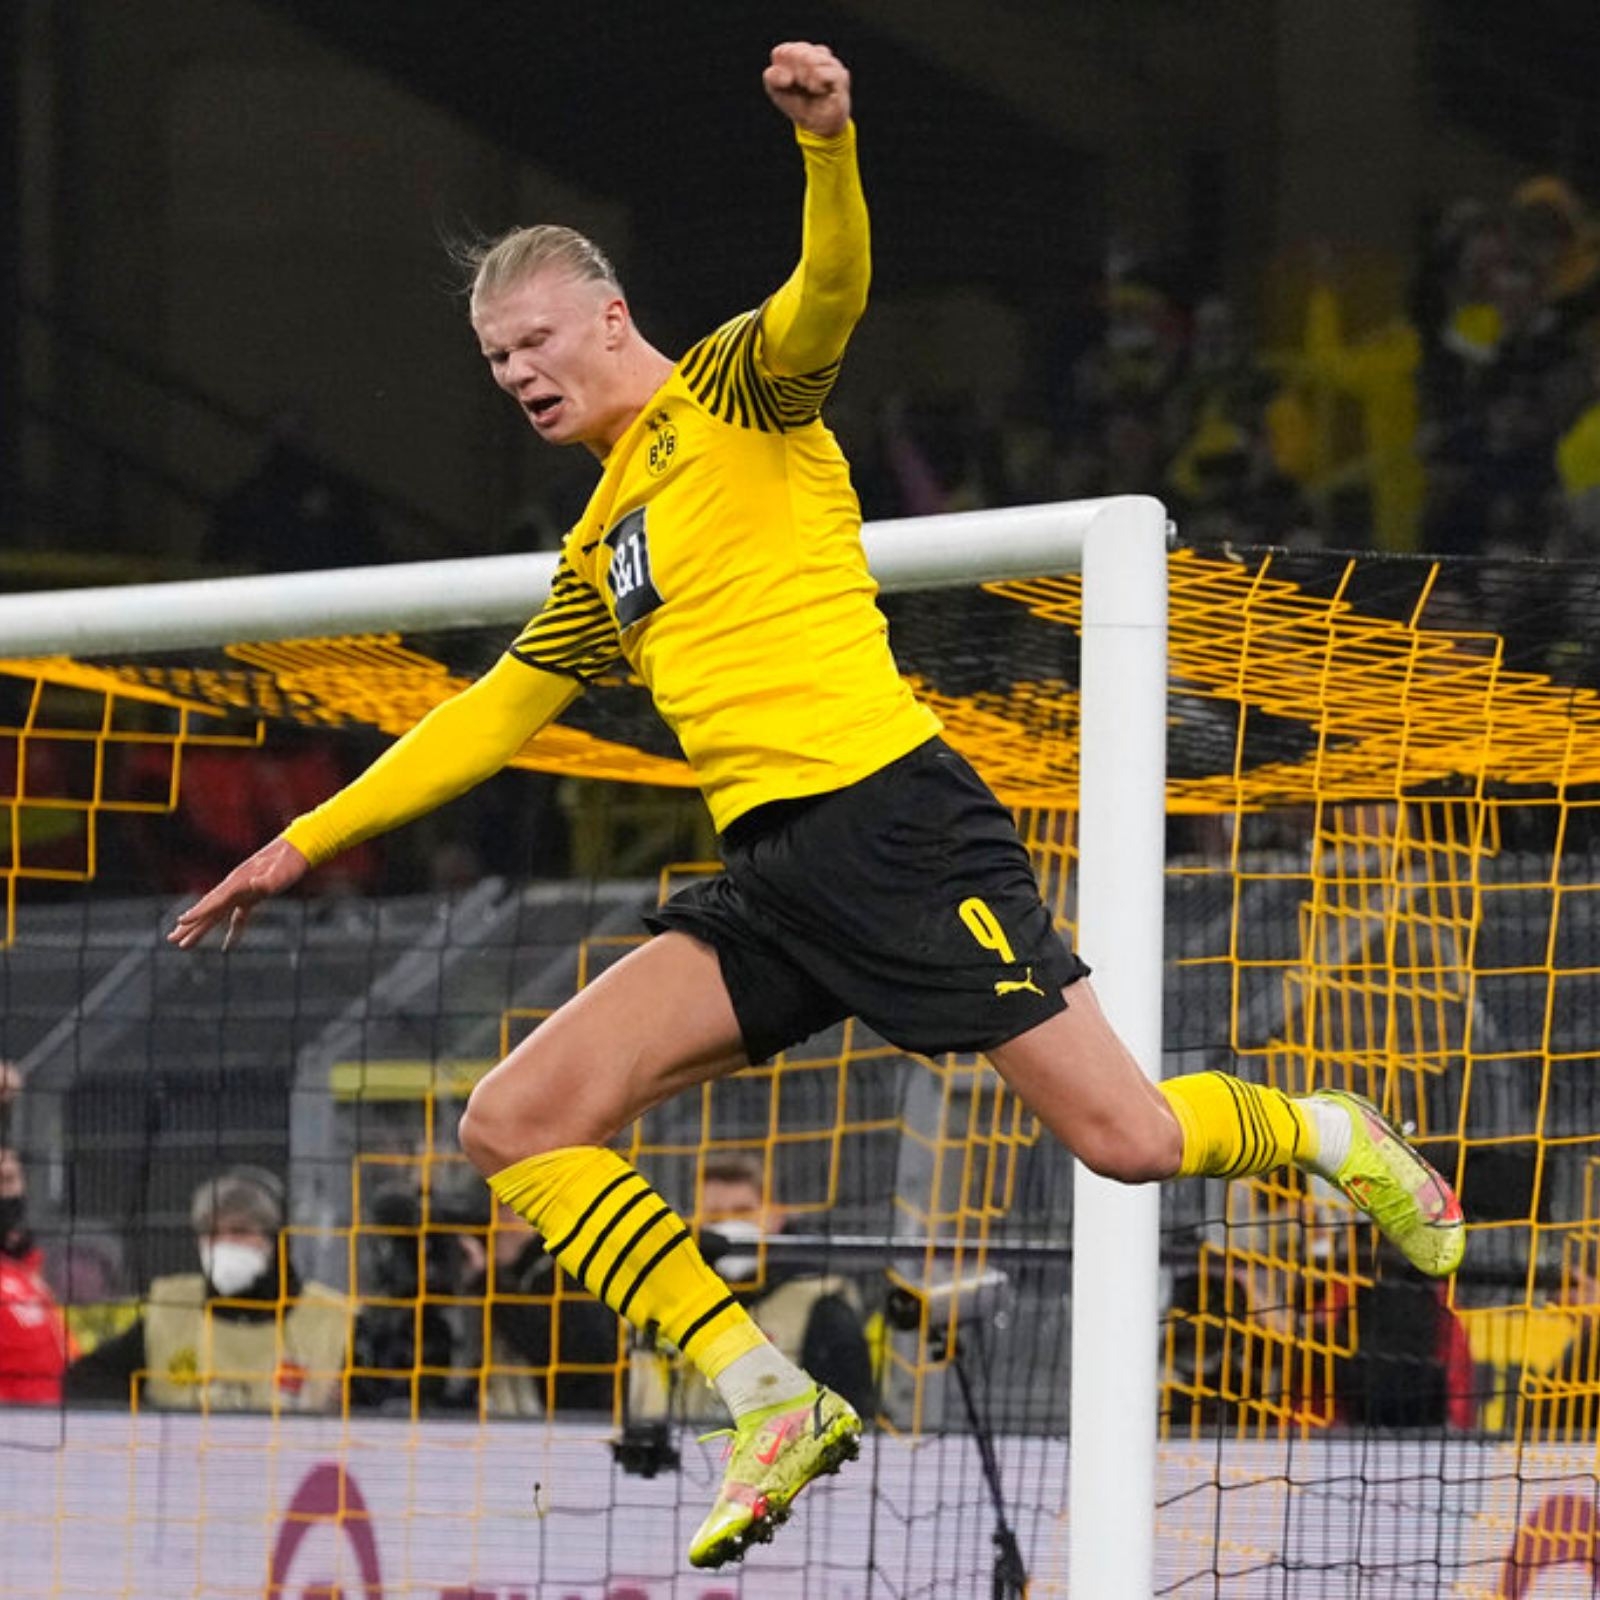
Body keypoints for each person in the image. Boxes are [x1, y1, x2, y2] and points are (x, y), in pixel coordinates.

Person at [168, 41, 1466, 1570]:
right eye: (494, 359)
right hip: (773, 876)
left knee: (1125, 1140)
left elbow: (831, 290)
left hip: (893, 824)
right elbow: (492, 712)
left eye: (532, 340)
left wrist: (830, 145)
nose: (515, 373)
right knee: (515, 1119)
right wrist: (299, 843)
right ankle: (765, 1398)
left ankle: (1327, 1131)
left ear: (609, 318)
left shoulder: (736, 393)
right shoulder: (599, 540)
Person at [65, 1166, 349, 1413]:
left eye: (240, 1231)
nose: (224, 1244)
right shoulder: (172, 1308)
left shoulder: (332, 1318)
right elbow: (86, 1381)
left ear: (276, 1239)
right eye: (211, 1233)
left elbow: (370, 1406)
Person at [630, 1153, 875, 1424]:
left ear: (775, 1218)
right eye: (714, 1216)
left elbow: (849, 1415)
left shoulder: (820, 1306)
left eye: (743, 1211)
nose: (729, 1225)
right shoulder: (660, 1303)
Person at [0, 1146, 75, 1404]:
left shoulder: (31, 1273)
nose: (9, 1169)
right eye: (3, 1180)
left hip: (58, 1417)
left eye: (14, 1172)